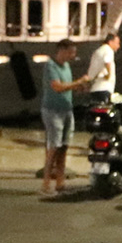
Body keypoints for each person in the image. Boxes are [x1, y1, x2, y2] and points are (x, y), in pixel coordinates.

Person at [39, 40, 92, 197]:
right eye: (71, 52)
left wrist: (79, 88)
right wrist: (78, 82)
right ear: (62, 50)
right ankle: (46, 183)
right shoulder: (51, 66)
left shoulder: (66, 66)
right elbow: (57, 87)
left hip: (67, 109)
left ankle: (60, 182)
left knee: (64, 146)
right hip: (52, 110)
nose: (73, 55)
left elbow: (67, 86)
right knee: (53, 147)